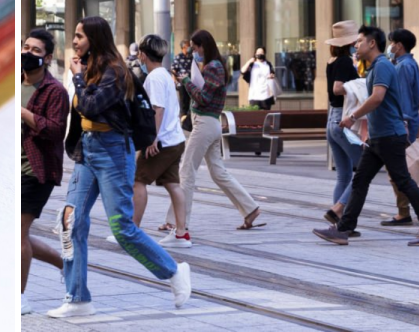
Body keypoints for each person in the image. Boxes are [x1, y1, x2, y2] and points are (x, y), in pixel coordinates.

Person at [49, 16, 191, 319]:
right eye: (74, 36)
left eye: (79, 36)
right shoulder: (90, 69)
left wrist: (76, 76)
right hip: (88, 149)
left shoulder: (115, 70)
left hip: (113, 151)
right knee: (70, 221)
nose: (74, 41)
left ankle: (174, 271)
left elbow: (90, 105)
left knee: (122, 228)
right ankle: (77, 299)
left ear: (95, 39)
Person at [313, 26, 419, 246]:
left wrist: (352, 116)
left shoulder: (382, 66)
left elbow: (377, 98)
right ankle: (343, 229)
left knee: (403, 181)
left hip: (389, 136)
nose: (356, 45)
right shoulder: (376, 67)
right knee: (360, 181)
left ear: (372, 43)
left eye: (360, 41)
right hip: (379, 136)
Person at [176, 30, 264, 232]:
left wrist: (186, 82)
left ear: (203, 46)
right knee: (218, 172)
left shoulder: (212, 67)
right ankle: (250, 209)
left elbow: (204, 98)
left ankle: (179, 223)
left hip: (205, 124)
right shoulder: (213, 66)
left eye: (195, 47)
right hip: (210, 124)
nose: (193, 52)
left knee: (187, 171)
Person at [110, 34, 191, 248]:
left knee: (138, 181)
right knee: (173, 184)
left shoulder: (154, 78)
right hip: (175, 139)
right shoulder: (164, 74)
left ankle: (131, 231)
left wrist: (150, 140)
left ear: (143, 55)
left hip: (161, 142)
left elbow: (157, 110)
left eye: (140, 55)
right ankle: (181, 233)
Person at [20, 28, 69, 315]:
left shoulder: (55, 91)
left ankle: (20, 298)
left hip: (36, 171)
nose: (27, 53)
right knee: (16, 233)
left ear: (47, 58)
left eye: (35, 50)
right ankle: (66, 264)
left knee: (17, 233)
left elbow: (55, 130)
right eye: (26, 47)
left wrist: (24, 113)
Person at [381, 29, 419, 227]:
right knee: (400, 169)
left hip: (401, 124)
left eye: (392, 42)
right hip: (406, 123)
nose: (390, 46)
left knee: (397, 171)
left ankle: (409, 208)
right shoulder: (408, 64)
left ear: (399, 45)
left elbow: (404, 100)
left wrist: (403, 124)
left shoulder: (402, 67)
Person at [322, 21, 365, 235]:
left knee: (343, 175)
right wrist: (358, 85)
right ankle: (338, 212)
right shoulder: (345, 63)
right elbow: (337, 88)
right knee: (364, 168)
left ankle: (337, 224)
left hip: (332, 120)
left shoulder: (332, 61)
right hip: (342, 120)